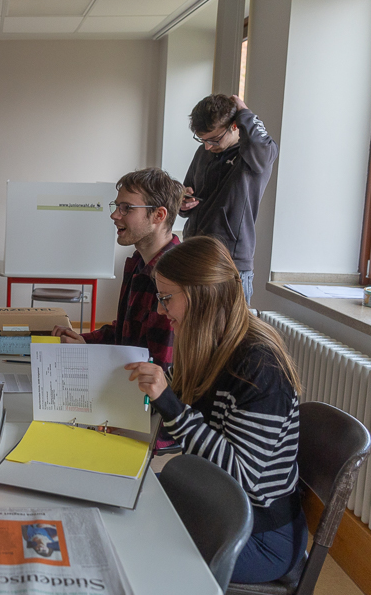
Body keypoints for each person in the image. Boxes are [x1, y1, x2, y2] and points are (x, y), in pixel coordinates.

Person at [126, 236, 307, 584]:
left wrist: (170, 406)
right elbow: (176, 415)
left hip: (257, 533)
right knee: (123, 506)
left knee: (137, 547)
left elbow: (243, 480)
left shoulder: (259, 366)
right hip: (210, 499)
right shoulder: (206, 342)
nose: (161, 311)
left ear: (202, 297)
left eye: (166, 299)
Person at [52, 168, 183, 370]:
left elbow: (159, 369)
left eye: (126, 208)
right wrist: (83, 341)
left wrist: (89, 353)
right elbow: (125, 334)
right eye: (116, 206)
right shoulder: (138, 263)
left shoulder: (175, 277)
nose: (114, 215)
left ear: (158, 215)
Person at [180, 94, 278, 305]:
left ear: (235, 126)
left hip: (230, 263)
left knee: (227, 336)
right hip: (195, 254)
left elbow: (263, 147)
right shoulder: (203, 153)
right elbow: (187, 195)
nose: (207, 146)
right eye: (202, 139)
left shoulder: (253, 157)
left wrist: (245, 113)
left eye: (214, 139)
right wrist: (182, 201)